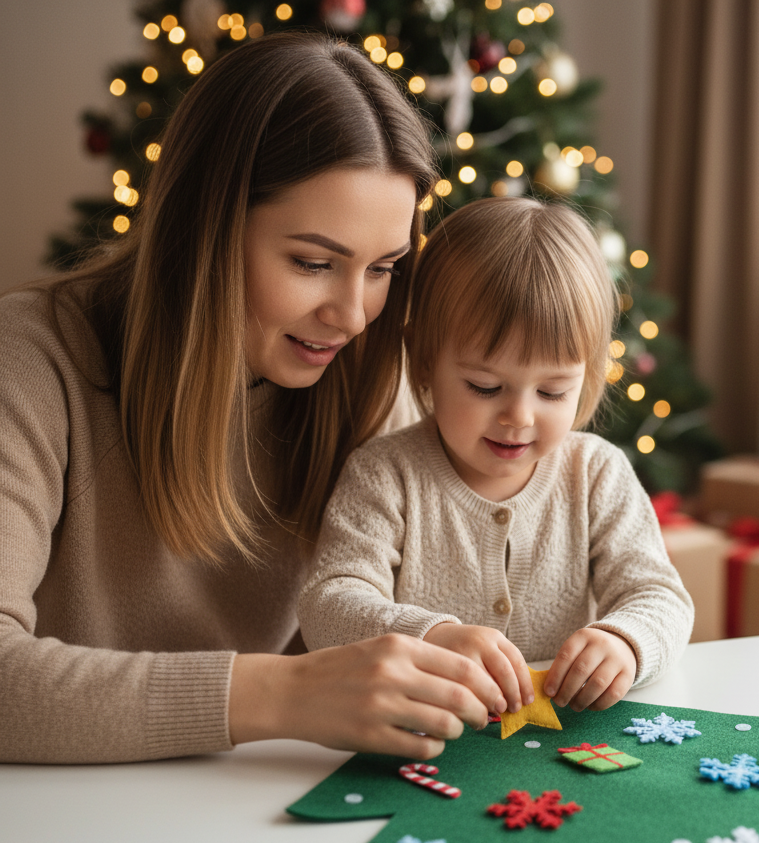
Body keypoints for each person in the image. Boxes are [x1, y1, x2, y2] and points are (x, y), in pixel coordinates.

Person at [0, 33, 510, 765]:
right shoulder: (28, 362)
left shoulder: (366, 377)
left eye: (383, 268)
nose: (354, 316)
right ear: (202, 232)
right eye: (313, 262)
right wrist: (286, 694)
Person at [299, 197, 694, 716]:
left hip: (562, 738)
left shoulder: (596, 473)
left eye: (552, 392)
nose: (518, 417)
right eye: (485, 386)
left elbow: (659, 596)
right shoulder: (385, 474)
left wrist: (624, 641)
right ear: (424, 361)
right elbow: (328, 605)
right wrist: (430, 637)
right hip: (424, 734)